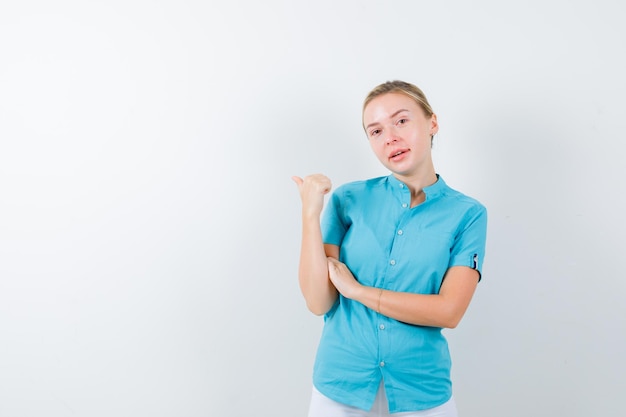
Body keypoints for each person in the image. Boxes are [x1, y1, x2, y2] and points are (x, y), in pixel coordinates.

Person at [292, 80, 487, 417]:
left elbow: (449, 311)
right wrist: (311, 215)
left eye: (401, 121)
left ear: (432, 123)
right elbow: (318, 301)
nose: (390, 137)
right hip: (340, 386)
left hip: (421, 390)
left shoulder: (467, 214)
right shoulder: (347, 200)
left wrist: (357, 291)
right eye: (376, 131)